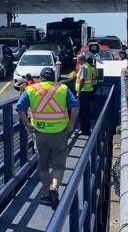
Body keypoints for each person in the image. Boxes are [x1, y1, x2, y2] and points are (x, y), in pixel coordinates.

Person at [16, 67, 80, 209]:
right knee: (58, 165)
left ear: (41, 78)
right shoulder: (63, 88)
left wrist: (27, 124)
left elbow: (20, 107)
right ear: (54, 78)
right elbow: (75, 105)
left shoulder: (32, 89)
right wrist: (71, 124)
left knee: (43, 166)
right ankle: (54, 188)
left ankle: (45, 194)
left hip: (39, 133)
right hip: (59, 133)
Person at [69, 54, 96, 135]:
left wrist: (78, 92)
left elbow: (82, 80)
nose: (76, 61)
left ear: (80, 60)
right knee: (85, 112)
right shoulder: (87, 66)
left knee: (82, 112)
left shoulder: (84, 67)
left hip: (84, 92)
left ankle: (84, 130)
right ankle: (86, 130)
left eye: (77, 60)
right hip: (87, 91)